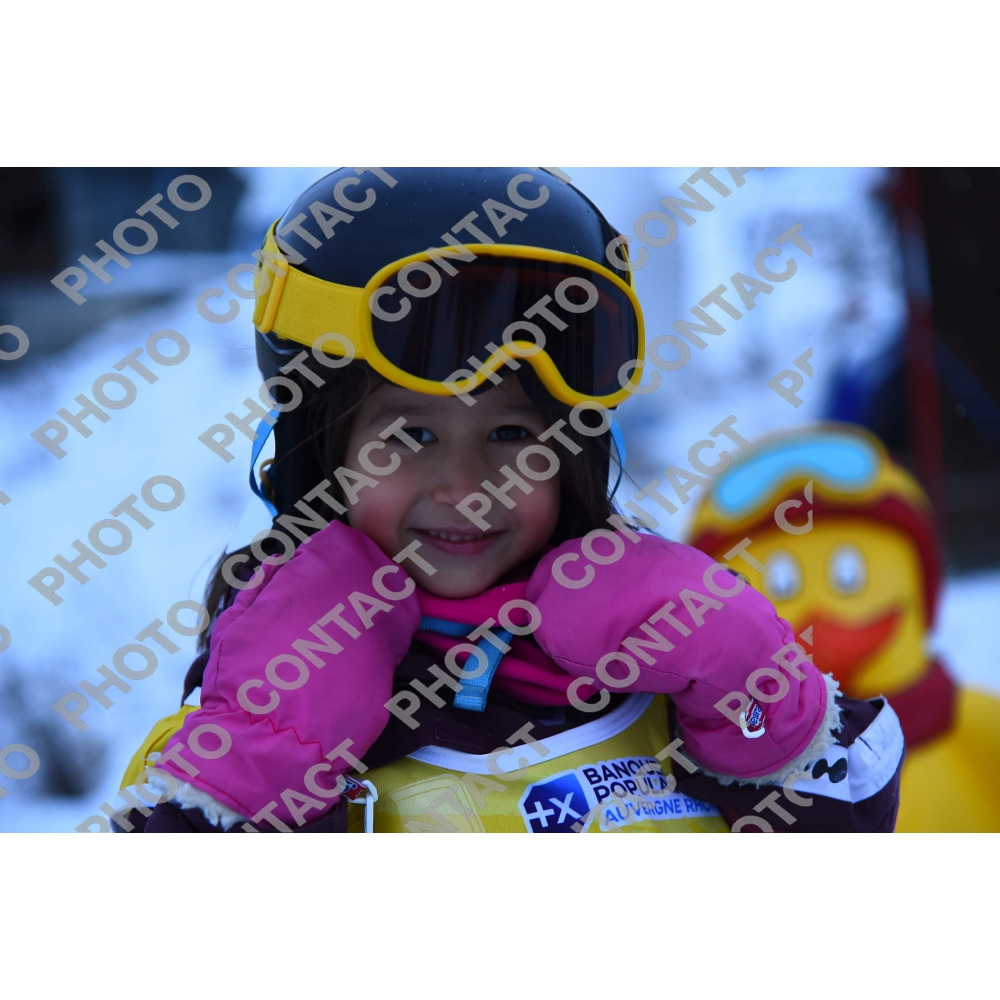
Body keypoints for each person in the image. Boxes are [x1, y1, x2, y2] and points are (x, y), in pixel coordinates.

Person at [121, 168, 903, 833]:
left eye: (510, 434)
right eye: (412, 435)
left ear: (573, 458)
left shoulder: (666, 668)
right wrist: (266, 746)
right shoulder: (248, 701)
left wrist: (758, 690)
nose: (466, 486)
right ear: (323, 455)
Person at [687, 423, 1000, 831]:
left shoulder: (970, 723)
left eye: (849, 577)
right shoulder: (717, 769)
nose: (820, 610)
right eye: (782, 586)